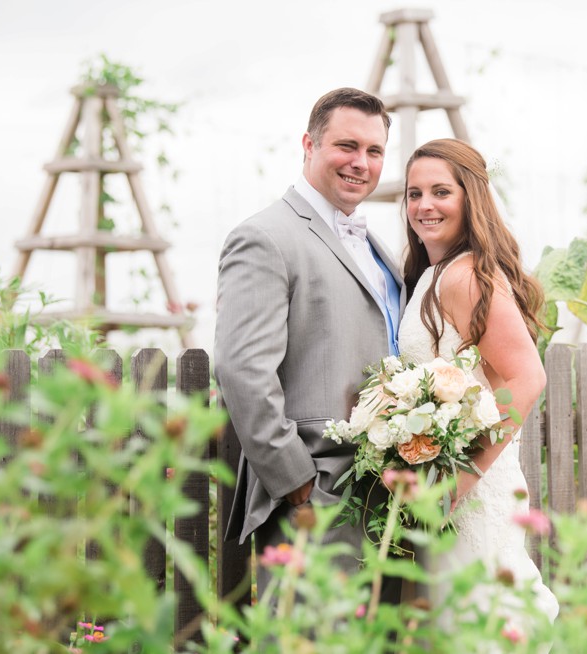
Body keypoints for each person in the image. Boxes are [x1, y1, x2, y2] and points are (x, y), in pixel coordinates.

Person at [214, 87, 403, 599]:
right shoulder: (265, 237)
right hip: (315, 496)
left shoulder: (379, 246)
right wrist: (298, 482)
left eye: (374, 151)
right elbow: (241, 368)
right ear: (309, 145)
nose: (360, 163)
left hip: (382, 497)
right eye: (347, 146)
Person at [397, 138, 559, 627]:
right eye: (413, 193)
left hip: (468, 490)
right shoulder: (434, 273)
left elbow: (526, 378)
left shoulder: (465, 276)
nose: (424, 205)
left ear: (471, 198)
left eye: (440, 192)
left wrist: (455, 485)